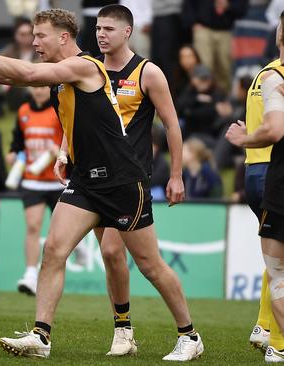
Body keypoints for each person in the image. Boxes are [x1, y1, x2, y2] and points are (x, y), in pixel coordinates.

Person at [0, 8, 202, 361]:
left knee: (150, 264)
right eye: (99, 27)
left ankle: (190, 335)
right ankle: (41, 335)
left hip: (123, 180)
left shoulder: (86, 65)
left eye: (40, 36)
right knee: (55, 250)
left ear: (63, 37)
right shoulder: (63, 73)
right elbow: (19, 80)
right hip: (86, 180)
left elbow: (29, 72)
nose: (34, 42)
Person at [94, 4, 186, 356]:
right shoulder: (92, 69)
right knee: (111, 257)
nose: (101, 34)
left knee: (119, 251)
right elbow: (77, 116)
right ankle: (123, 331)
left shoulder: (147, 72)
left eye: (109, 29)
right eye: (98, 28)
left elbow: (172, 125)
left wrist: (175, 175)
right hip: (94, 178)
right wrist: (62, 151)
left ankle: (186, 334)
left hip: (130, 177)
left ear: (127, 32)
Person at [226, 14, 284, 362]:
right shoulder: (274, 76)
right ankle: (274, 337)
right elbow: (273, 128)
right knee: (279, 258)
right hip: (269, 170)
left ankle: (265, 326)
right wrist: (246, 139)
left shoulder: (268, 74)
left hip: (260, 169)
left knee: (277, 258)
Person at [6, 85, 63, 295]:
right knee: (33, 225)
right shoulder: (23, 111)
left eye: (42, 87)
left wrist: (59, 152)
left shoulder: (58, 108)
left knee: (60, 233)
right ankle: (30, 274)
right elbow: (18, 142)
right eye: (35, 87)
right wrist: (12, 154)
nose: (38, 91)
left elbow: (72, 140)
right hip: (32, 180)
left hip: (58, 181)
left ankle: (75, 255)